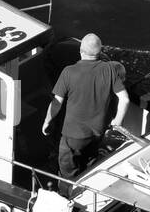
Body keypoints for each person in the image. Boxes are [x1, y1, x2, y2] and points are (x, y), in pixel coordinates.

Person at [42, 33, 129, 184]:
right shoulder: (110, 69)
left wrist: (47, 121)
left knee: (68, 172)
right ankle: (88, 187)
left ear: (81, 51)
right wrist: (118, 121)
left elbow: (57, 102)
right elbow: (125, 99)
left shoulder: (69, 72)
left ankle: (68, 198)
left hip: (73, 136)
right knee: (90, 163)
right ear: (100, 52)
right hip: (97, 133)